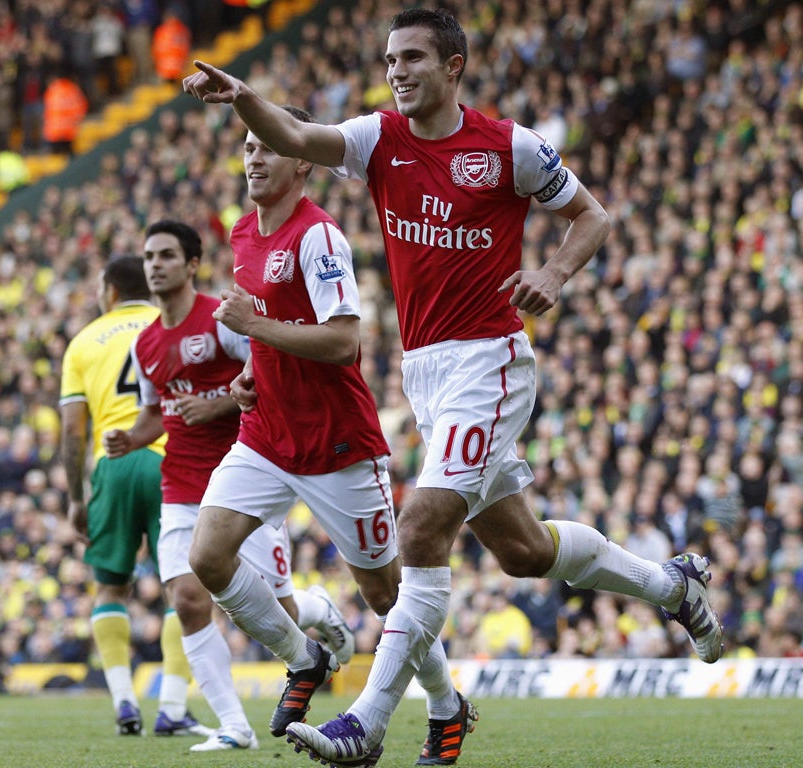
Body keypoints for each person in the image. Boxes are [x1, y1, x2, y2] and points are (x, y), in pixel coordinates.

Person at [183, 8, 724, 766]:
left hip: (490, 362)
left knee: (422, 529)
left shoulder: (508, 147)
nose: (396, 71)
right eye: (388, 60)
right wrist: (243, 95)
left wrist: (553, 272)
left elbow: (591, 215)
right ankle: (672, 588)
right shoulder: (378, 139)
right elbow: (300, 138)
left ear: (453, 66)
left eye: (411, 58)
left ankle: (368, 722)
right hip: (427, 372)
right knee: (524, 550)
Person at [183, 105, 468, 765]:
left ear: (302, 162)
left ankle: (447, 707)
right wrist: (252, 372)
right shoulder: (243, 233)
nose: (254, 158)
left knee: (387, 594)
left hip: (337, 446)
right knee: (208, 556)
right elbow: (268, 322)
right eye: (248, 147)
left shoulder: (320, 237)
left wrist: (254, 334)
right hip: (265, 435)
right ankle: (305, 655)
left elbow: (343, 343)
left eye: (268, 148)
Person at [102, 219, 356, 752]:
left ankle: (314, 611)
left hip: (243, 478)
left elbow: (270, 372)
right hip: (178, 485)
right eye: (149, 256)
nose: (155, 265)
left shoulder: (221, 319)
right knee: (189, 599)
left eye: (167, 255)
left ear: (192, 264)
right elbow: (159, 415)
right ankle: (234, 727)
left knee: (279, 612)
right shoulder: (146, 343)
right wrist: (131, 437)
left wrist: (216, 404)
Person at [59, 255, 210, 737]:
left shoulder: (83, 341)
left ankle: (125, 703)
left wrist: (76, 496)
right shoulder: (167, 321)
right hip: (172, 458)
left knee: (111, 587)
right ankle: (171, 706)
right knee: (182, 588)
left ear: (108, 290)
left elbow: (70, 431)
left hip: (114, 460)